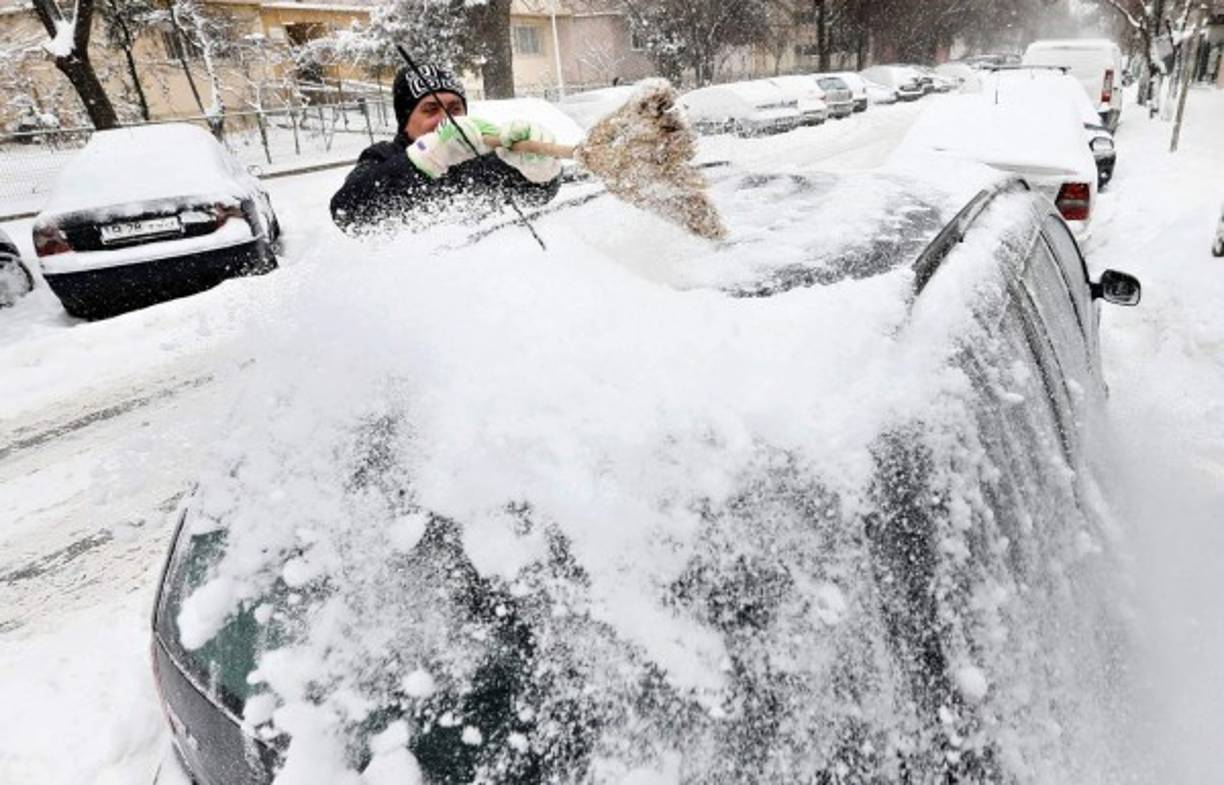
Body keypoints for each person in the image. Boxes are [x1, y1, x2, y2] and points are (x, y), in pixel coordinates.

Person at [330, 63, 562, 234]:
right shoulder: (383, 157)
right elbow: (347, 213)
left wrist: (543, 174)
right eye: (431, 109)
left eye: (455, 108)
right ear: (406, 119)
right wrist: (424, 158)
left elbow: (534, 195)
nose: (447, 120)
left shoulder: (481, 156)